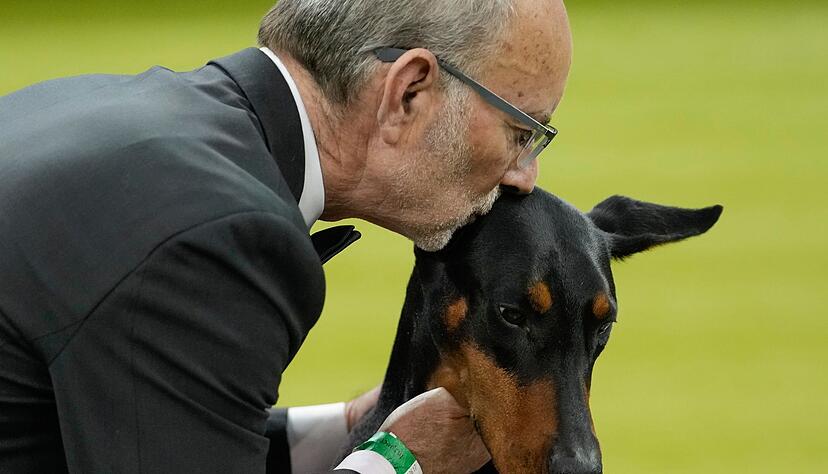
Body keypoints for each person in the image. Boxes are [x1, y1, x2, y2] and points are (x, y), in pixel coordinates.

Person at [0, 0, 572, 472]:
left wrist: (355, 427)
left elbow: (152, 424)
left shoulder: (90, 107)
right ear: (409, 93)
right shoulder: (217, 235)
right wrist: (399, 460)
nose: (524, 175)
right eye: (520, 132)